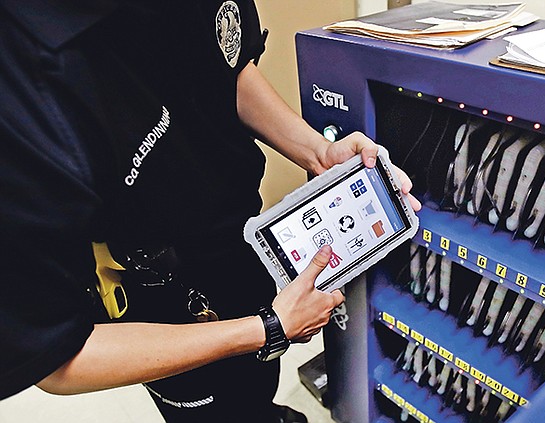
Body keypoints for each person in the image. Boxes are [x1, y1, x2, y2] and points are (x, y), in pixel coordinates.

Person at [0, 1, 421, 422]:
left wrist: (317, 151)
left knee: (255, 388)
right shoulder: (21, 91)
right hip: (164, 294)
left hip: (244, 236)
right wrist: (266, 328)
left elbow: (225, 68)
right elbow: (58, 360)